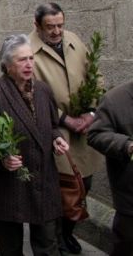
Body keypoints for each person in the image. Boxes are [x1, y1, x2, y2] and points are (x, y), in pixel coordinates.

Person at [0, 34, 70, 255]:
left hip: (43, 177)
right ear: (7, 65)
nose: (29, 64)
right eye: (22, 60)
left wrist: (56, 138)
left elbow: (51, 124)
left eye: (31, 58)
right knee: (10, 246)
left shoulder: (43, 90)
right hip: (9, 182)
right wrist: (2, 159)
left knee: (47, 244)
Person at [29, 2, 103, 254]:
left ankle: (68, 232)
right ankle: (58, 238)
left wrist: (91, 112)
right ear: (36, 25)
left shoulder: (73, 40)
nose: (56, 31)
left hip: (83, 128)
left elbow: (95, 75)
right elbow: (29, 96)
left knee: (86, 183)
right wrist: (64, 119)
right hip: (54, 130)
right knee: (64, 189)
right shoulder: (27, 51)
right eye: (50, 27)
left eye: (60, 25)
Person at [87, 80, 133, 256]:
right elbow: (95, 135)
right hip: (129, 194)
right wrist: (127, 146)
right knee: (126, 245)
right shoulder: (115, 99)